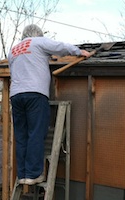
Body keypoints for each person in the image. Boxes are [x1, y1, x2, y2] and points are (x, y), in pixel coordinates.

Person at [8, 24, 91, 185]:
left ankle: (23, 174)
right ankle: (33, 174)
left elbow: (19, 68)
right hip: (35, 93)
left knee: (21, 135)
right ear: (38, 34)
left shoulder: (14, 50)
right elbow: (59, 47)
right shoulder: (38, 42)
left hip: (16, 95)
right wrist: (78, 51)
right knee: (36, 132)